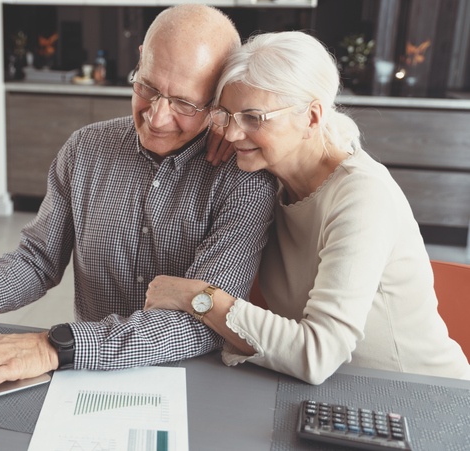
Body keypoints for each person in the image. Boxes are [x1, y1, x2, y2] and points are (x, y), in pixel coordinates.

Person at [0, 4, 277, 398]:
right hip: (85, 377)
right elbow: (38, 258)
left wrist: (55, 345)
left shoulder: (243, 180)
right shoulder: (85, 148)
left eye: (185, 104)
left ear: (219, 99)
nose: (156, 118)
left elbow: (202, 321)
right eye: (148, 88)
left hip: (189, 384)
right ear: (140, 60)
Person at [145, 31, 470, 384]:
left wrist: (199, 296)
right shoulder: (269, 180)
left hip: (417, 398)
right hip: (334, 396)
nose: (234, 134)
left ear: (313, 118)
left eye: (253, 118)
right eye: (226, 115)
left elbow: (317, 353)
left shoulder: (362, 196)